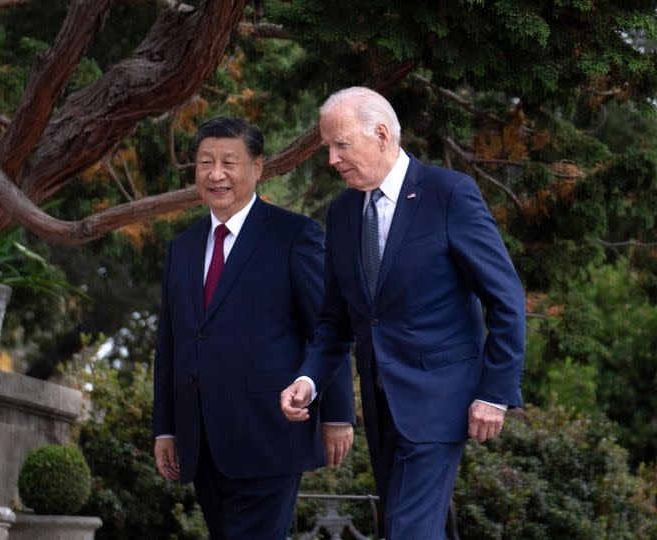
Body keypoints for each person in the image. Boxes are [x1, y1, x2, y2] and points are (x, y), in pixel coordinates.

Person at [280, 87, 526, 539]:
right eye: (328, 147)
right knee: (404, 526)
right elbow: (337, 320)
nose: (332, 159)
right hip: (381, 404)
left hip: (439, 400)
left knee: (409, 530)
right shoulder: (341, 213)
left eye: (340, 145)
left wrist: (495, 392)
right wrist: (309, 379)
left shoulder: (449, 194)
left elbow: (506, 298)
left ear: (380, 134)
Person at [152, 116, 356, 540]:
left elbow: (327, 327)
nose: (216, 174)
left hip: (270, 434)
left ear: (258, 167)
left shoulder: (294, 235)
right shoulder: (183, 248)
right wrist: (166, 428)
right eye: (205, 162)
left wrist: (337, 414)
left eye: (229, 161)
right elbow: (170, 345)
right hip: (201, 439)